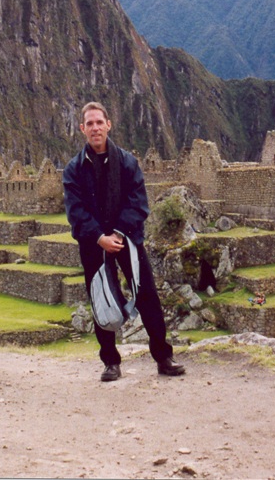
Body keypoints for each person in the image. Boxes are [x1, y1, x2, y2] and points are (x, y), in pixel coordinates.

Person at [63, 101, 185, 382]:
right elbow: (75, 211)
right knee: (101, 299)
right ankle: (110, 362)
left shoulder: (128, 163)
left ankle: (163, 357)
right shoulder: (74, 170)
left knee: (148, 296)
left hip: (127, 239)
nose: (95, 128)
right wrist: (99, 238)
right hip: (94, 244)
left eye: (99, 122)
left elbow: (138, 202)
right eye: (90, 124)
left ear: (108, 125)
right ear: (82, 129)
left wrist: (117, 234)